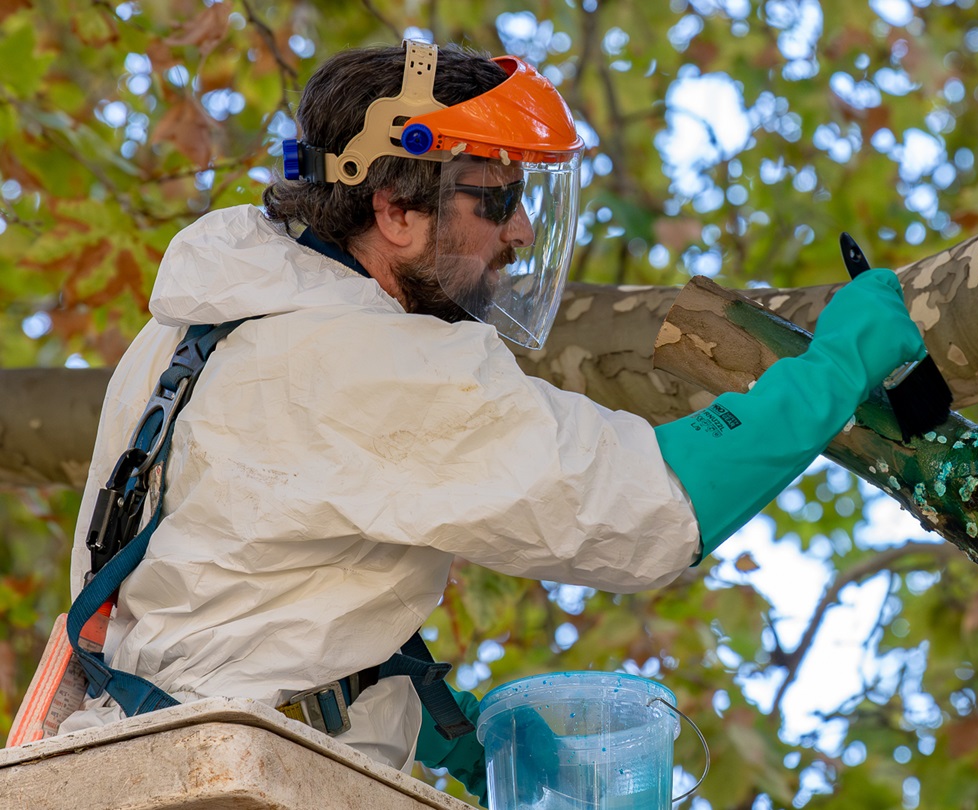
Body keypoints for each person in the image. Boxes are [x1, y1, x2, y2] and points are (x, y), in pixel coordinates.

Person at [57, 41, 927, 797]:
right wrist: (836, 366)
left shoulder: (207, 323)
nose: (518, 233)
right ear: (395, 212)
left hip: (140, 758)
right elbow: (647, 510)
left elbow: (249, 577)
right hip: (236, 782)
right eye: (494, 202)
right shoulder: (375, 361)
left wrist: (453, 730)